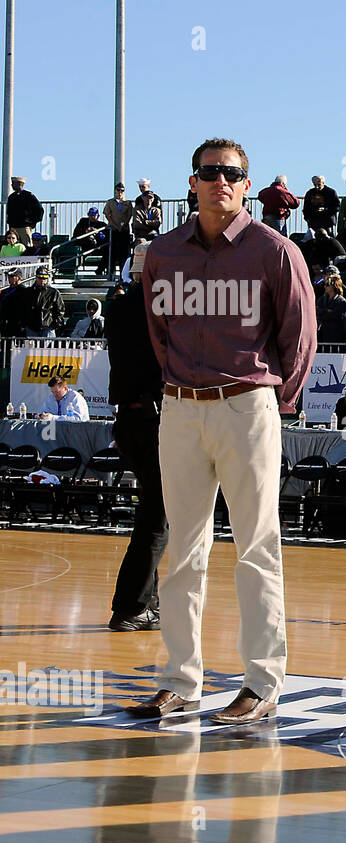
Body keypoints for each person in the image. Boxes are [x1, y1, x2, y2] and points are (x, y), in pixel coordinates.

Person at [129, 137, 317, 725]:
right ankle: (182, 681)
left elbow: (300, 339)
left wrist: (270, 404)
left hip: (246, 405)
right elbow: (158, 335)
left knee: (256, 547)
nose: (220, 182)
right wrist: (180, 389)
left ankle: (262, 683)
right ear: (192, 181)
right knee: (183, 550)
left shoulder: (275, 252)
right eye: (209, 172)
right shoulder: (161, 256)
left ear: (247, 183)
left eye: (232, 173)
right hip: (181, 408)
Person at [105, 242, 166, 631]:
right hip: (155, 419)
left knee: (153, 513)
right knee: (157, 518)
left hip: (129, 420)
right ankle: (130, 605)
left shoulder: (117, 308)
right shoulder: (162, 310)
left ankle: (146, 602)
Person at [25, 264, 64, 337]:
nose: (42, 280)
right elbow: (23, 309)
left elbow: (60, 310)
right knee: (30, 349)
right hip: (31, 328)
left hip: (48, 328)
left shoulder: (53, 292)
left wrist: (55, 324)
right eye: (40, 278)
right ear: (36, 278)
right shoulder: (28, 292)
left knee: (48, 348)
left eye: (44, 278)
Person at [104, 183, 134, 276]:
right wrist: (114, 225)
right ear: (115, 191)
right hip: (114, 230)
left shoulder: (127, 203)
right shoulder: (110, 202)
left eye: (122, 190)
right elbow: (107, 214)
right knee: (112, 252)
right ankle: (111, 272)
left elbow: (129, 215)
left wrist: (124, 225)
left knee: (124, 253)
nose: (120, 192)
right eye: (118, 190)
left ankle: (123, 273)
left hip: (124, 230)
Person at [6, 175, 43, 244]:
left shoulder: (28, 195)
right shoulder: (11, 197)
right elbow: (9, 212)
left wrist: (33, 222)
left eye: (14, 183)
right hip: (13, 226)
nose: (12, 185)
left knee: (27, 245)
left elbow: (39, 209)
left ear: (20, 184)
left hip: (24, 226)